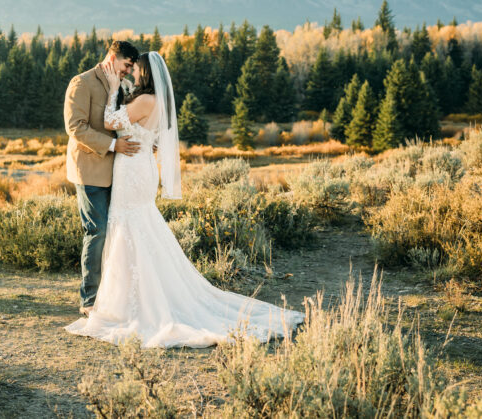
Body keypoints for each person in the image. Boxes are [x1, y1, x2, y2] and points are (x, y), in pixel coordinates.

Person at [65, 51, 306, 348]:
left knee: (127, 224)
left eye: (136, 69)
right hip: (139, 166)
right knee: (136, 224)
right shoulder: (153, 100)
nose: (132, 73)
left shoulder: (145, 99)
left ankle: (125, 299)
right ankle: (127, 294)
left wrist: (114, 89)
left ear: (145, 73)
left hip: (131, 169)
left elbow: (110, 121)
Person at [63, 40, 142, 316]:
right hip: (90, 170)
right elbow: (76, 127)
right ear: (112, 57)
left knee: (117, 233)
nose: (128, 71)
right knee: (97, 231)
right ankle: (90, 300)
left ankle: (114, 295)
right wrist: (113, 145)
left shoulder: (122, 85)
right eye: (126, 65)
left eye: (131, 68)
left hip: (119, 172)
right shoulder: (82, 83)